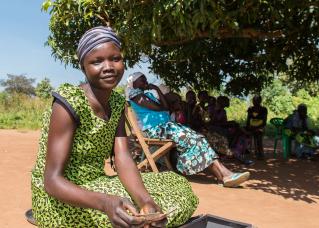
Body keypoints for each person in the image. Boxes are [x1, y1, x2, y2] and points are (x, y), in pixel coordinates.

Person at [31, 26, 198, 227]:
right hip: (61, 197)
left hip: (97, 183)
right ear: (83, 67)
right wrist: (105, 203)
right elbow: (51, 181)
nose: (109, 66)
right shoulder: (68, 103)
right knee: (128, 216)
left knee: (177, 186)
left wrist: (146, 201)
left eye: (115, 59)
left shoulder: (117, 103)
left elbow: (123, 158)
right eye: (97, 61)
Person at [127, 72, 250, 187]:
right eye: (142, 79)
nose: (145, 81)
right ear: (134, 83)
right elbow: (160, 108)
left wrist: (157, 89)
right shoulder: (135, 95)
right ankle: (224, 174)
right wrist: (161, 103)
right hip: (157, 130)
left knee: (200, 138)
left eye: (145, 79)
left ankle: (223, 175)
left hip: (167, 128)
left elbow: (164, 107)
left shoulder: (148, 95)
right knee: (196, 139)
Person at [246, 95, 268, 160]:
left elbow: (264, 121)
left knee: (259, 133)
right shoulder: (250, 109)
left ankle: (260, 153)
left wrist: (258, 127)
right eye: (254, 101)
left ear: (260, 101)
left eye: (256, 101)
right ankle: (243, 151)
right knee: (241, 131)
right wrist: (248, 127)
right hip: (251, 127)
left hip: (260, 127)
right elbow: (248, 119)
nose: (255, 102)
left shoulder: (264, 109)